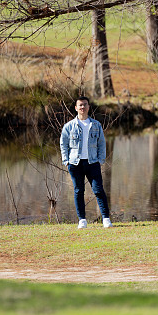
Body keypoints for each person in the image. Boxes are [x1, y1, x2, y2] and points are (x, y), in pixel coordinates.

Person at [60, 96, 112, 228]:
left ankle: (106, 219)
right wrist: (66, 161)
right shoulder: (69, 126)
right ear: (76, 108)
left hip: (92, 163)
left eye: (85, 105)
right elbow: (63, 144)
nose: (83, 107)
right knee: (78, 191)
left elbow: (101, 144)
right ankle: (82, 220)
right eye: (80, 105)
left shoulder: (96, 125)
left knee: (98, 190)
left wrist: (101, 160)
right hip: (75, 164)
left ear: (89, 107)